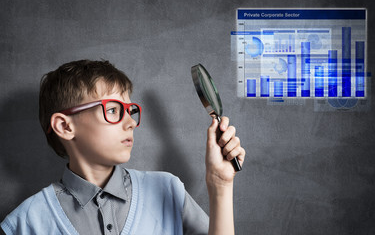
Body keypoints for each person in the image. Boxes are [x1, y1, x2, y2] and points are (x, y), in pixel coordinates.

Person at [0, 60, 245, 235]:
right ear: (65, 127)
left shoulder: (168, 189)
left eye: (130, 111)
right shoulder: (25, 223)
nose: (130, 123)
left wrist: (220, 185)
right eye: (114, 110)